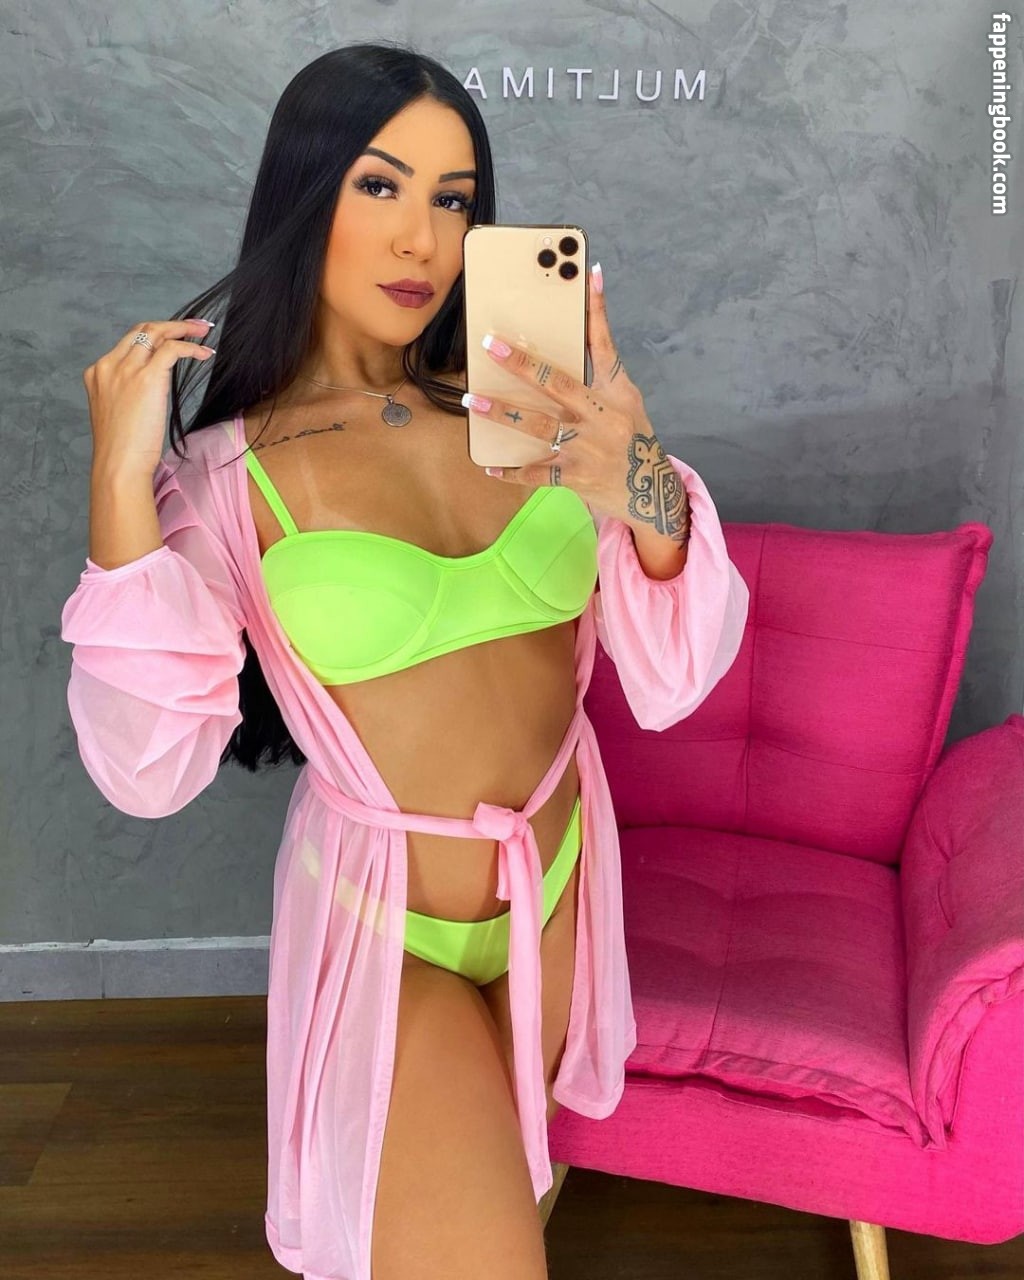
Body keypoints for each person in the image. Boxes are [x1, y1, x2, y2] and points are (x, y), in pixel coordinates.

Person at [59, 42, 749, 1280]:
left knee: (504, 1203)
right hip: (388, 925)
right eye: (379, 185)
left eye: (453, 198)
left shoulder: (530, 406)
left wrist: (637, 464)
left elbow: (674, 672)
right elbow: (145, 769)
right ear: (305, 194)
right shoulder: (224, 475)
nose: (421, 238)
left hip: (558, 887)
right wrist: (119, 480)